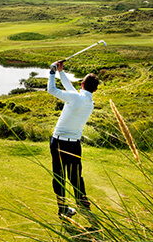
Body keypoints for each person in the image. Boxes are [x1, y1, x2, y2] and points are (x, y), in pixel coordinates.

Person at [47, 60, 99, 220]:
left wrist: (51, 72)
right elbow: (72, 91)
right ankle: (84, 207)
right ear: (94, 89)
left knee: (59, 176)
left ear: (82, 84)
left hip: (58, 142)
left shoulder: (75, 97)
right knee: (76, 177)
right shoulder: (89, 102)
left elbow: (51, 90)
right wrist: (61, 72)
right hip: (74, 145)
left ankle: (63, 209)